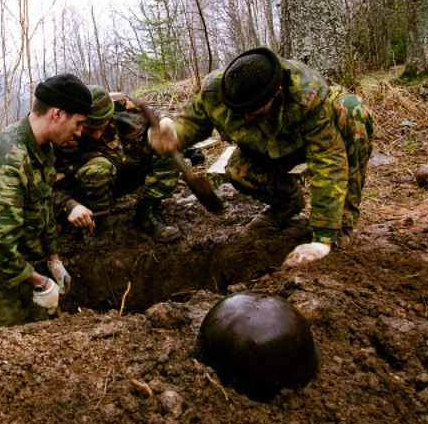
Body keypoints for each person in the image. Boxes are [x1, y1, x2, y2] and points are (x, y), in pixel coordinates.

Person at [148, 47, 373, 266]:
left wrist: (323, 238)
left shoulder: (306, 94)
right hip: (263, 148)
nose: (245, 117)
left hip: (305, 140)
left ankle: (342, 224)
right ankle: (287, 203)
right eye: (239, 112)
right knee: (238, 170)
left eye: (253, 112)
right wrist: (173, 135)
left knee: (353, 110)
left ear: (276, 93)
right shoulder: (216, 89)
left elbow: (328, 161)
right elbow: (194, 122)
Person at [0, 73, 92, 328]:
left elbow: (43, 205)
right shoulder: (8, 159)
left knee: (36, 326)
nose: (79, 133)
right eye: (78, 123)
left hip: (13, 257)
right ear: (57, 114)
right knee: (5, 338)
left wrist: (53, 259)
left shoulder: (41, 147)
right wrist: (39, 281)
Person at [53, 86, 200, 242]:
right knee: (98, 169)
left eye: (101, 127)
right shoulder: (60, 133)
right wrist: (71, 206)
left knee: (164, 149)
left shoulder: (120, 103)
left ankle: (147, 212)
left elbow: (153, 114)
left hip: (124, 171)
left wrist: (166, 122)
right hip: (85, 188)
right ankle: (97, 219)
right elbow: (46, 187)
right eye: (89, 129)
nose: (96, 135)